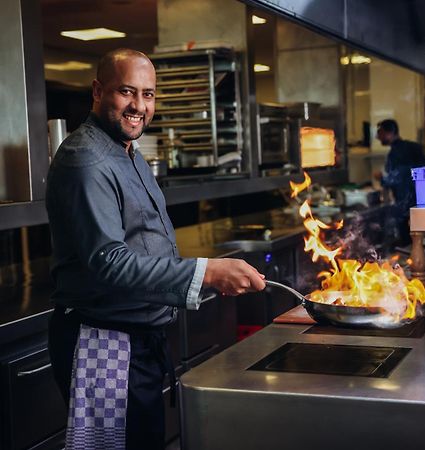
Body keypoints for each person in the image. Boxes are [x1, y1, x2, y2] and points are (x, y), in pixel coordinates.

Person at [45, 48, 266, 450]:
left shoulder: (129, 154)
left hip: (139, 338)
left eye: (148, 95)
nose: (139, 106)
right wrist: (207, 272)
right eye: (127, 92)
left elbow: (143, 245)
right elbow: (109, 263)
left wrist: (203, 277)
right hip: (104, 342)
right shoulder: (86, 159)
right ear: (98, 90)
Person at [375, 119, 425, 246]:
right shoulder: (413, 147)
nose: (378, 137)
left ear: (390, 132)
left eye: (380, 133)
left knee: (408, 241)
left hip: (406, 204)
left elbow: (396, 178)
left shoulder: (396, 153)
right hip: (422, 201)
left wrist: (381, 178)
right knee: (419, 240)